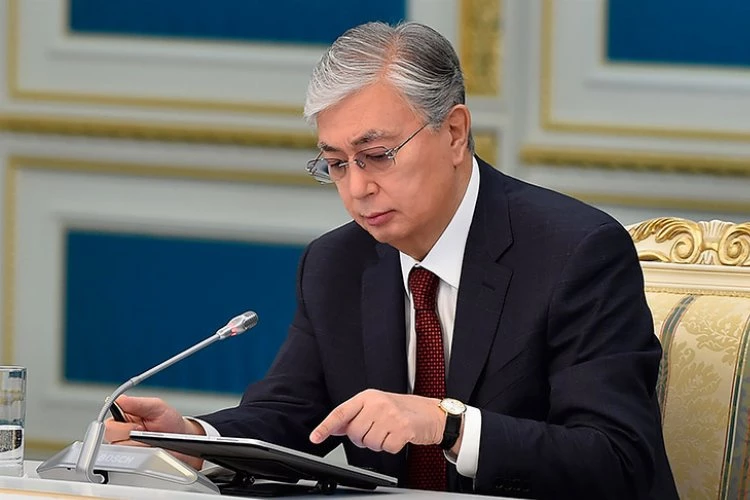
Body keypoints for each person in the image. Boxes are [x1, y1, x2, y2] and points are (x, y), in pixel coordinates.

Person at [105, 21, 678, 499]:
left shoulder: (575, 252)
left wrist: (449, 427)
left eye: (377, 155)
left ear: (454, 133)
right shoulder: (336, 263)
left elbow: (617, 459)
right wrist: (192, 439)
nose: (357, 188)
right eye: (336, 164)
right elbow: (290, 412)